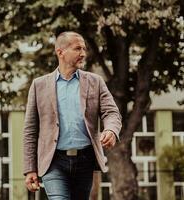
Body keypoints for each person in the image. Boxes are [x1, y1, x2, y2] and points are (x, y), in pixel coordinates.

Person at [23, 31, 122, 200]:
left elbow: (111, 112)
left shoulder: (95, 82)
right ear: (60, 52)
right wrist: (30, 168)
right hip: (53, 161)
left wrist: (111, 130)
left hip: (85, 160)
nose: (83, 53)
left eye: (84, 49)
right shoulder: (39, 85)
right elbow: (30, 130)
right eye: (77, 49)